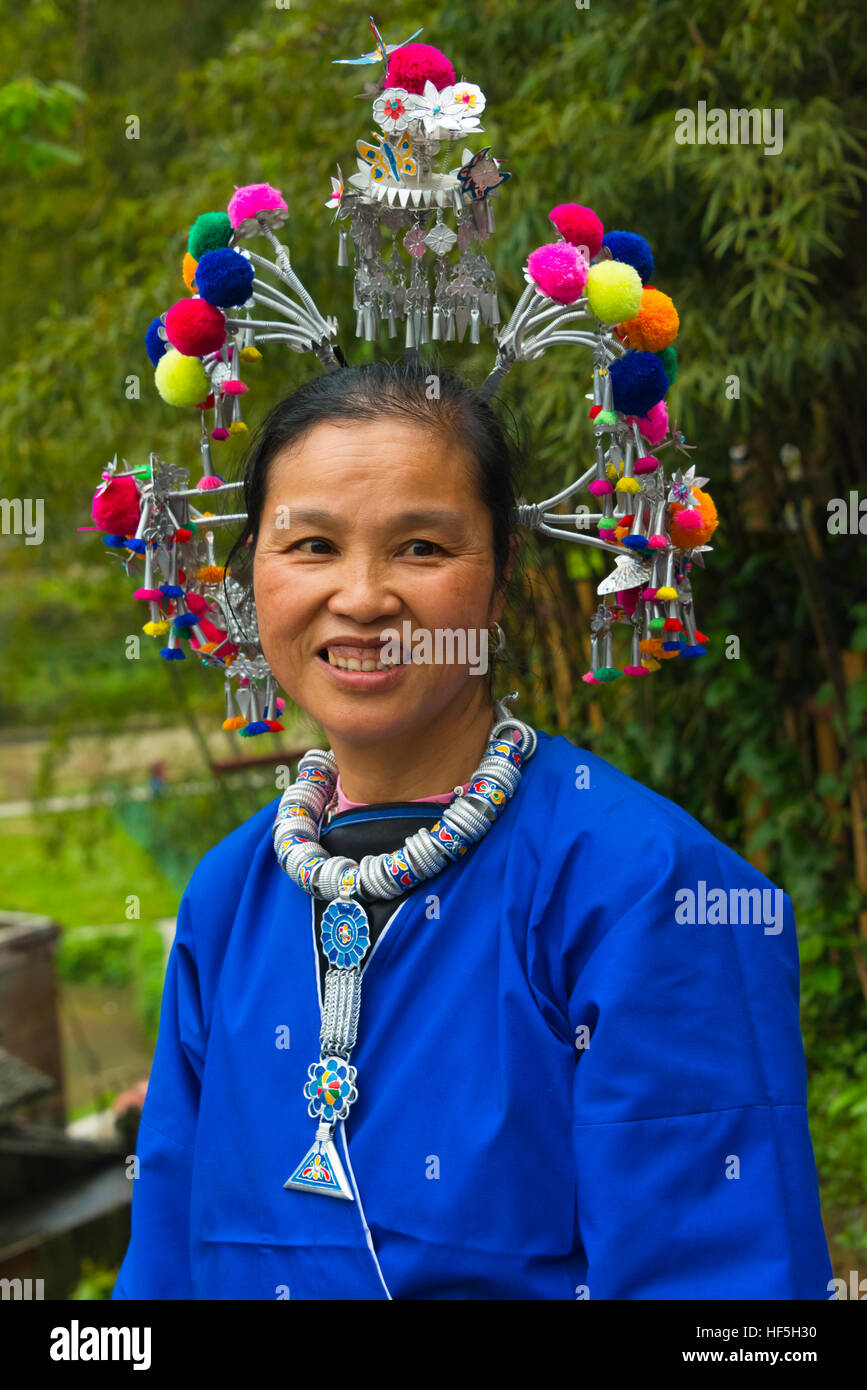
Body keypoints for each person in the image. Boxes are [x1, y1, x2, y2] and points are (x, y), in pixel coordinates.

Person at [112, 360, 832, 1300]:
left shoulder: (647, 889)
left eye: (420, 547)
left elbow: (724, 1297)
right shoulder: (227, 895)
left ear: (499, 587)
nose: (363, 598)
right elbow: (164, 1266)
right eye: (312, 546)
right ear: (250, 577)